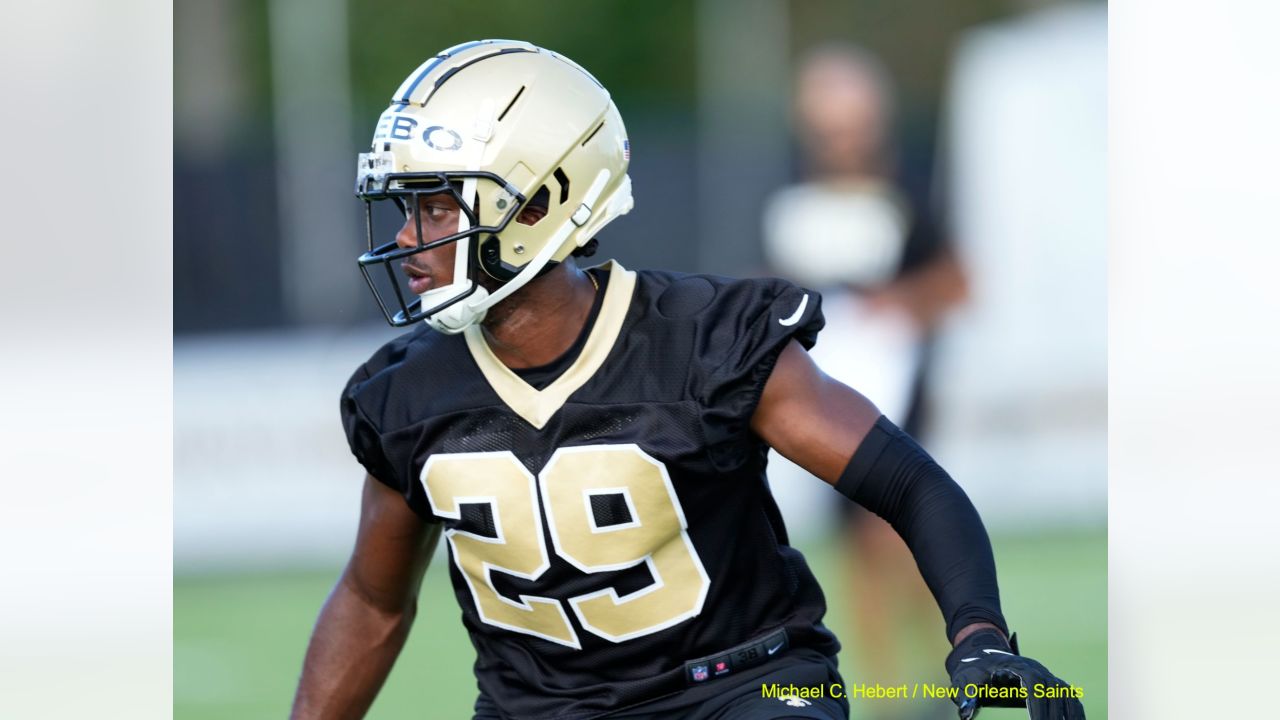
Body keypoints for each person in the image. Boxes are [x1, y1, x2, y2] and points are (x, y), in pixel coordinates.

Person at [290, 40, 1084, 720]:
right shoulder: (404, 395)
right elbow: (372, 599)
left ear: (541, 202)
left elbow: (908, 483)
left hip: (741, 688)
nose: (406, 236)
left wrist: (978, 638)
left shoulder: (699, 342)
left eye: (434, 208)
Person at [760, 45, 967, 719]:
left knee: (899, 531)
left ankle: (940, 660)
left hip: (903, 387)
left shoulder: (908, 192)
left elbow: (959, 282)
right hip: (832, 390)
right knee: (858, 538)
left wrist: (901, 301)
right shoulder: (791, 197)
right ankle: (889, 688)